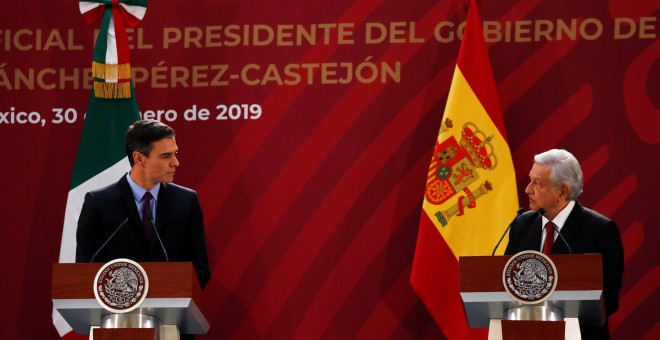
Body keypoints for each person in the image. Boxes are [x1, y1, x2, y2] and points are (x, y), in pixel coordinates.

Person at [76, 119, 211, 289]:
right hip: (116, 312)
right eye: (166, 156)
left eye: (175, 153)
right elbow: (85, 270)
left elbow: (200, 269)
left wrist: (166, 293)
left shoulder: (186, 201)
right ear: (139, 158)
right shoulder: (98, 203)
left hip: (171, 312)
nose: (175, 162)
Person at [504, 149, 624, 339]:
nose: (527, 189)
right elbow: (505, 285)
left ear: (562, 192)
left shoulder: (601, 230)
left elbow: (608, 300)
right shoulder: (521, 224)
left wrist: (553, 315)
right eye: (530, 179)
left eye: (537, 183)